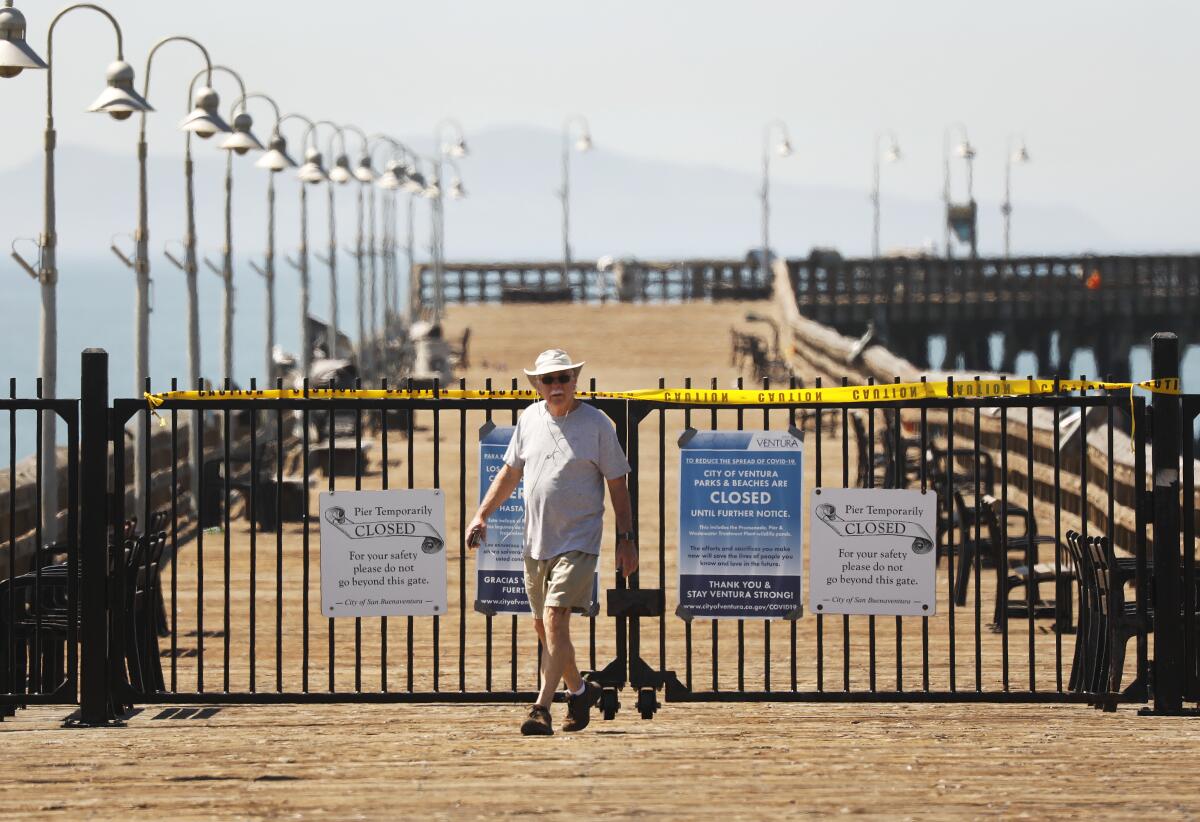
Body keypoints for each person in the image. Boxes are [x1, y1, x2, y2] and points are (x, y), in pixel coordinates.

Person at [467, 348, 637, 735]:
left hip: (580, 539)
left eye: (564, 378)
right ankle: (579, 690)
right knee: (544, 628)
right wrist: (482, 514)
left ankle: (541, 707)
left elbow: (618, 484)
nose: (557, 385)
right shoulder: (529, 418)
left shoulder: (597, 424)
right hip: (536, 540)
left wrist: (626, 539)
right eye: (549, 379)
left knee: (556, 618)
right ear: (539, 385)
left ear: (575, 381)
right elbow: (510, 473)